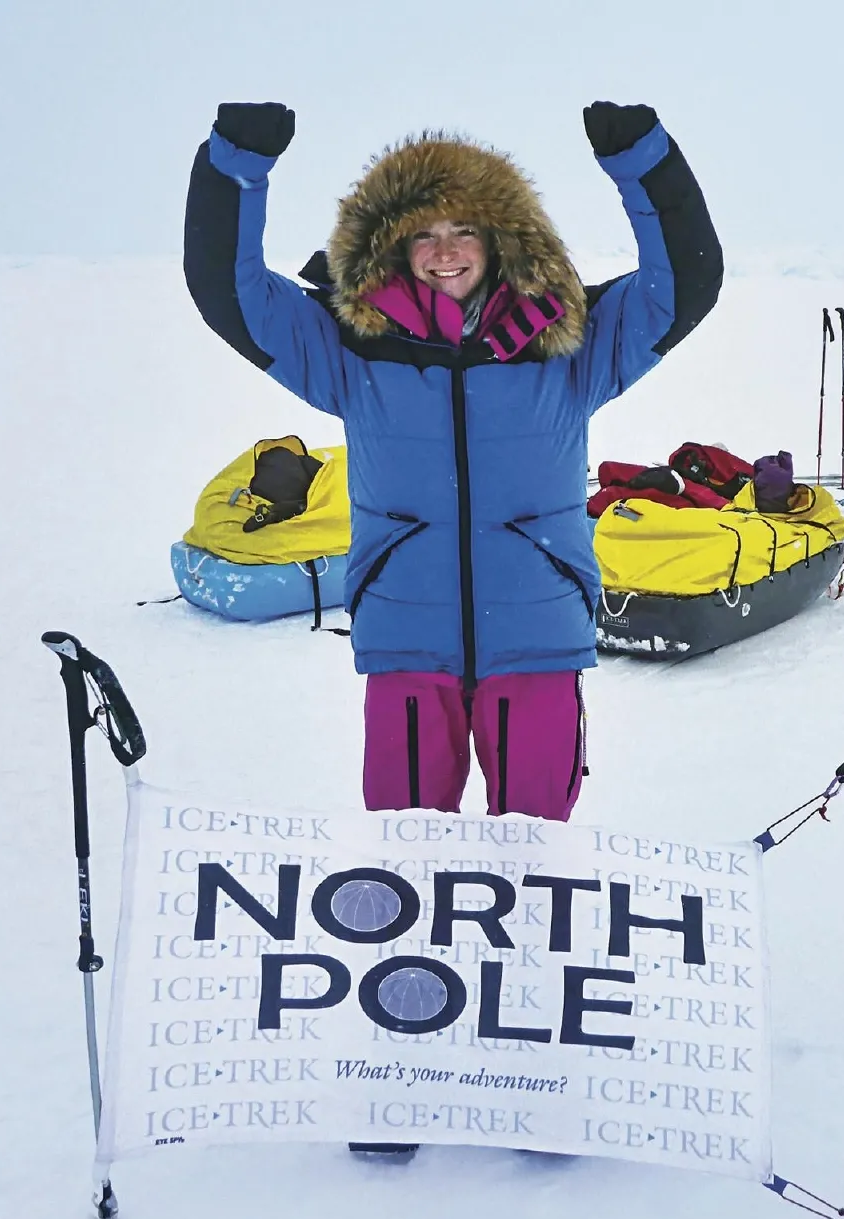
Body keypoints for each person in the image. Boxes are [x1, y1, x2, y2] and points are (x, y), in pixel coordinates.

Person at [184, 100, 722, 1154]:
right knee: (403, 865)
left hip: (537, 645)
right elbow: (230, 294)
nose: (443, 252)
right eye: (422, 234)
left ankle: (534, 1069)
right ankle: (399, 1069)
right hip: (408, 645)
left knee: (532, 867)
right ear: (391, 248)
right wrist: (235, 167)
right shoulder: (352, 348)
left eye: (463, 231)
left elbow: (683, 286)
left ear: (501, 239)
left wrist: (642, 162)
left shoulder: (572, 344)